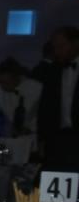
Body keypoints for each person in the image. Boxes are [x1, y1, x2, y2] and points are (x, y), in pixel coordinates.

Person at [36, 25, 79, 169]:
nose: (57, 51)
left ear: (76, 43)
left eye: (61, 46)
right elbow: (45, 106)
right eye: (54, 47)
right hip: (57, 138)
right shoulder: (53, 70)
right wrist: (42, 139)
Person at [0, 57, 42, 136]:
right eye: (0, 82)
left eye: (6, 83)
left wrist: (31, 130)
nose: (2, 86)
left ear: (17, 78)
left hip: (33, 133)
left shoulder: (36, 88)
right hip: (9, 132)